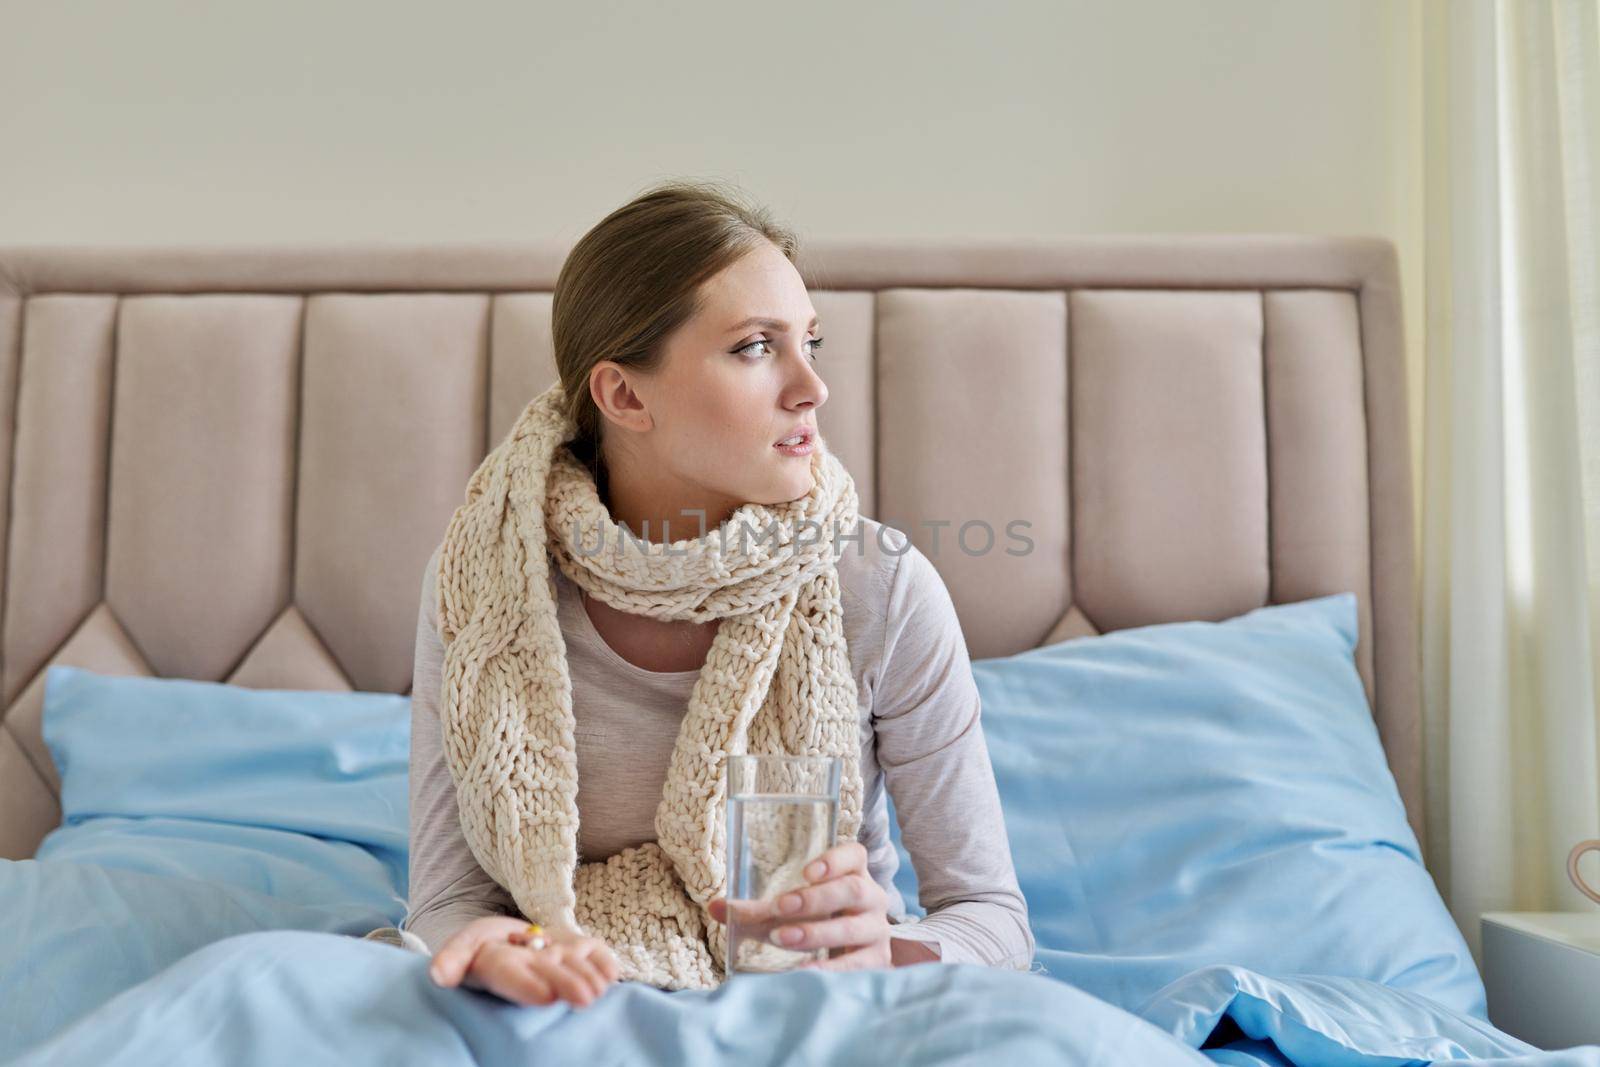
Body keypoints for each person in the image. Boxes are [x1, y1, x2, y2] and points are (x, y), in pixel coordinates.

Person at [401, 179, 1033, 1010]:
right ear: (625, 395)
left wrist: (890, 949)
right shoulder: (483, 581)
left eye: (810, 341)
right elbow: (447, 909)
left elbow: (994, 920)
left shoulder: (883, 590)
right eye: (754, 347)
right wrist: (493, 952)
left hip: (816, 1011)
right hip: (569, 1011)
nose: (812, 387)